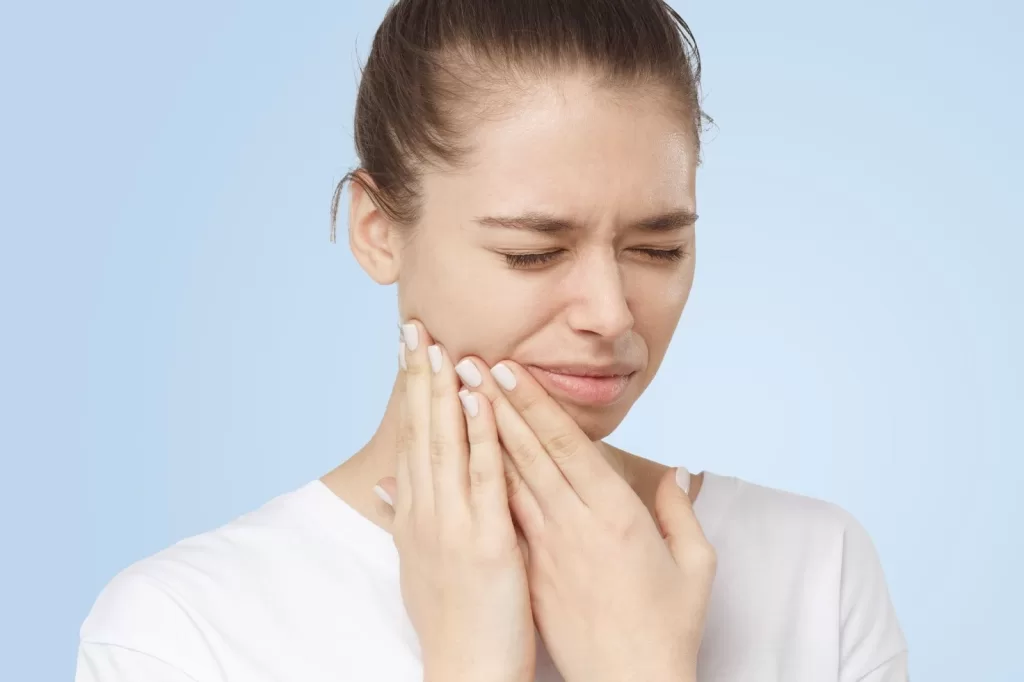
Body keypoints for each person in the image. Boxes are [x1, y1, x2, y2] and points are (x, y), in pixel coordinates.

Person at [76, 1, 909, 680]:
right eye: (532, 252)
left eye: (658, 249)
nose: (612, 315)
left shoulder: (815, 570)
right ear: (377, 230)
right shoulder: (179, 630)